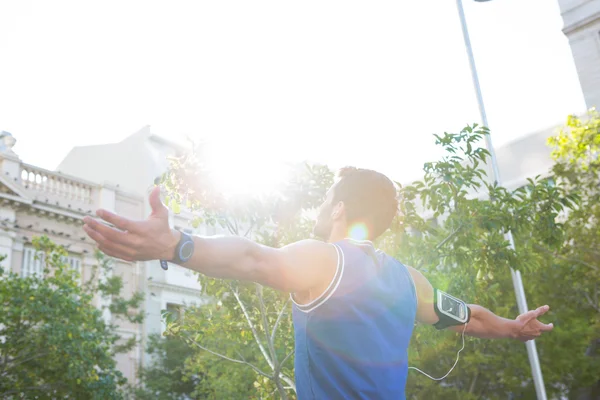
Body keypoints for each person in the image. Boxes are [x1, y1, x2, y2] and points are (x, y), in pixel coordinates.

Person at [82, 166, 553, 399]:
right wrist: (515, 328)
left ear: (339, 209)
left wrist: (176, 245)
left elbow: (251, 258)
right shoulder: (411, 282)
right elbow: (468, 317)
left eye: (326, 198)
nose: (320, 208)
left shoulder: (327, 261)